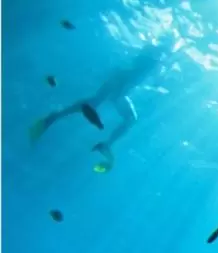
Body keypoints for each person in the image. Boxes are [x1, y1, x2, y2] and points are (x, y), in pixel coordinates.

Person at [29, 43, 167, 172]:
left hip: (121, 89)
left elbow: (150, 77)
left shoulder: (155, 60)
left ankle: (106, 144)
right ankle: (53, 117)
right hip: (118, 83)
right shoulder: (153, 57)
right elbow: (139, 69)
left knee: (128, 117)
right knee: (96, 103)